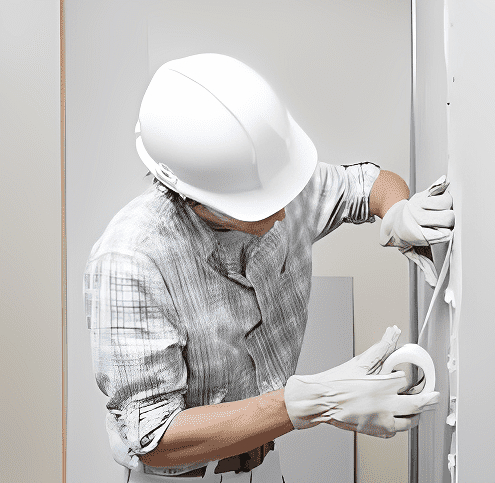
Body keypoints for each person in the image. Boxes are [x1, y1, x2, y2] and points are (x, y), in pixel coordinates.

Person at [83, 53, 453, 482]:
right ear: (198, 200)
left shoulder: (276, 186)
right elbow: (153, 437)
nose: (282, 216)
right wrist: (309, 402)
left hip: (262, 464)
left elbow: (367, 183)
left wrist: (398, 209)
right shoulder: (133, 261)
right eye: (260, 209)